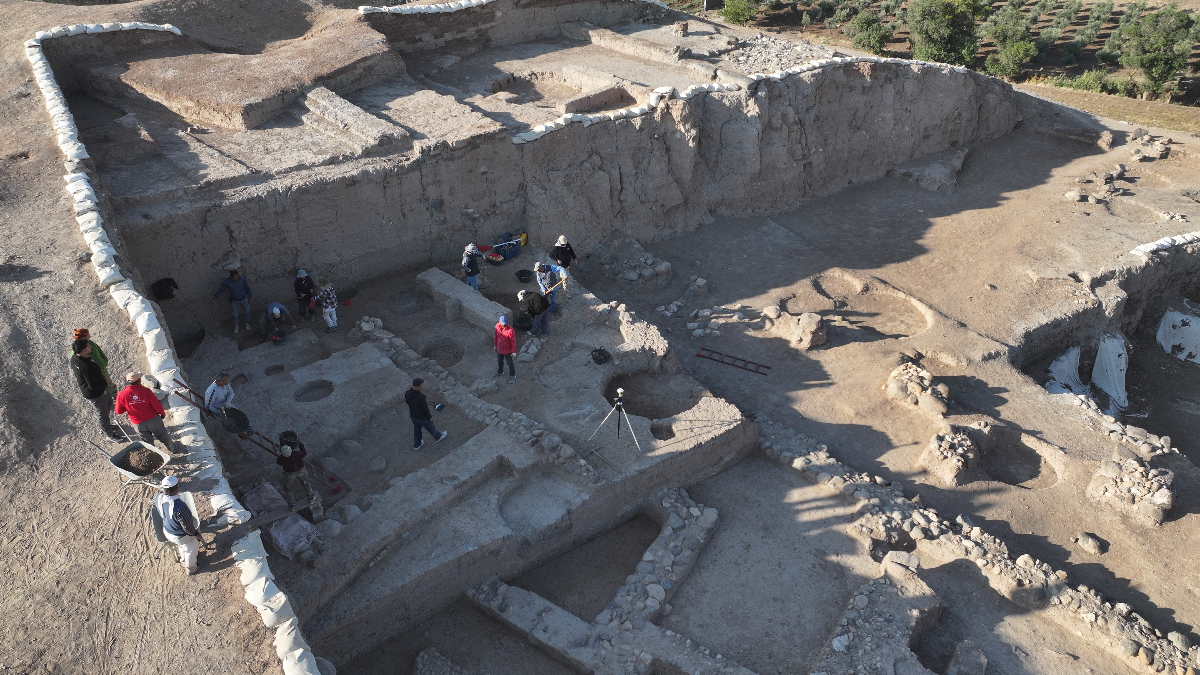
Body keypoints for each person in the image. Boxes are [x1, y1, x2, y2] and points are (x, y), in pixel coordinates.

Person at [71, 338, 122, 441]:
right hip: (96, 394)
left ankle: (106, 427)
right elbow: (93, 386)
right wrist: (105, 383)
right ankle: (109, 434)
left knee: (108, 404)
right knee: (102, 414)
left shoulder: (74, 358)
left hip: (100, 390)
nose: (91, 347)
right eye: (88, 346)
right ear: (84, 351)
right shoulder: (86, 366)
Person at [114, 372, 174, 452]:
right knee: (163, 435)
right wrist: (162, 414)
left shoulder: (121, 395)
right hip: (153, 420)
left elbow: (118, 411)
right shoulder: (146, 391)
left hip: (138, 423)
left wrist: (129, 406)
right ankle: (172, 448)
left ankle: (153, 456)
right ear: (139, 381)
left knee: (148, 443)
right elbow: (156, 404)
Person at [154, 475, 202, 575]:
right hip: (179, 535)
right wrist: (196, 533)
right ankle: (191, 569)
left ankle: (183, 559)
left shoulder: (159, 497)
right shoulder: (179, 507)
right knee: (192, 549)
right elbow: (187, 527)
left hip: (167, 530)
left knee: (182, 546)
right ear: (177, 488)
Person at [276, 430, 324, 522]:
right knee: (306, 483)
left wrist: (282, 453)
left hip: (289, 474)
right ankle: (310, 498)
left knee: (288, 488)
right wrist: (301, 443)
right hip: (301, 470)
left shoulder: (282, 458)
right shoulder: (297, 454)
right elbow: (304, 452)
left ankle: (292, 505)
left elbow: (279, 462)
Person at [70, 328, 116, 397]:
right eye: (87, 336)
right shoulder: (78, 352)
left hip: (102, 369)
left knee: (110, 384)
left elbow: (99, 350)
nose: (89, 337)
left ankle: (115, 396)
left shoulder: (90, 343)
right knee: (103, 385)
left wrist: (104, 360)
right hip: (95, 373)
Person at [405, 378, 447, 450]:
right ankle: (438, 437)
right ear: (419, 385)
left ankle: (417, 444)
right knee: (430, 427)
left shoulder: (407, 393)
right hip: (421, 417)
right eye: (421, 384)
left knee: (417, 430)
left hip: (413, 416)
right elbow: (425, 409)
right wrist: (429, 417)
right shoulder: (421, 397)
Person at [210, 269, 253, 335]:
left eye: (237, 277)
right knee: (235, 315)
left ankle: (247, 323)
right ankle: (236, 326)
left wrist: (250, 297)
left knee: (247, 311)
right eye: (235, 278)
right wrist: (214, 298)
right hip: (234, 301)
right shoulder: (227, 281)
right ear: (231, 277)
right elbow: (220, 290)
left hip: (244, 299)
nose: (237, 278)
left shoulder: (242, 279)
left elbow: (247, 288)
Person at [494, 315, 517, 384]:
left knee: (509, 363)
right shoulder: (497, 327)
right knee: (499, 361)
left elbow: (513, 342)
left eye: (504, 324)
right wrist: (495, 345)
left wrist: (514, 351)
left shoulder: (510, 330)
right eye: (502, 323)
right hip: (500, 348)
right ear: (499, 322)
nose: (503, 325)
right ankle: (500, 372)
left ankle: (512, 375)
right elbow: (495, 336)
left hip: (507, 350)